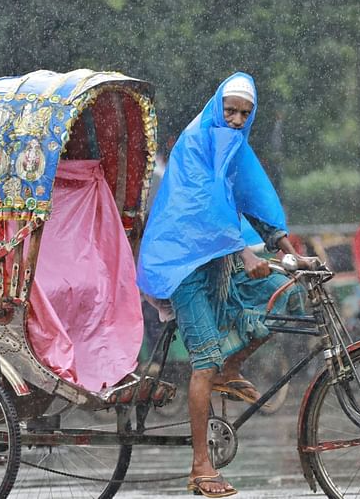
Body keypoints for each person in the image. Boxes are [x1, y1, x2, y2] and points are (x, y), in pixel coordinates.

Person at [137, 72, 313, 497]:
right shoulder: (197, 141)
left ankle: (230, 369)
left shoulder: (237, 149)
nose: (235, 120)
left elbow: (257, 202)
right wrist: (245, 254)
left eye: (244, 115)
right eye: (230, 111)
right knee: (204, 364)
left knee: (287, 294)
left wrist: (290, 253)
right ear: (218, 107)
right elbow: (204, 209)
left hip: (218, 258)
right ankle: (201, 467)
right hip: (181, 264)